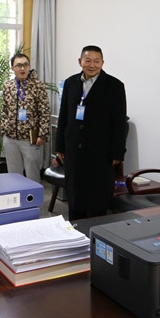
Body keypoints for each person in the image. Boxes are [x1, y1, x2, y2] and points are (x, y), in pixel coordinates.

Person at [55, 45, 127, 220]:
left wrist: (117, 152)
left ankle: (96, 232)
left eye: (96, 61)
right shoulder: (70, 83)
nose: (92, 65)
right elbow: (63, 116)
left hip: (100, 152)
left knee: (98, 198)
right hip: (74, 150)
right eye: (88, 61)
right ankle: (75, 229)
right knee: (75, 195)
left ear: (102, 63)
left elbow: (119, 123)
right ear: (80, 62)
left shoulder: (115, 86)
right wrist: (60, 146)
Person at [0, 53, 50, 183]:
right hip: (10, 138)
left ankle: (32, 197)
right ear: (13, 68)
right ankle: (16, 196)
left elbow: (44, 112)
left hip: (30, 138)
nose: (22, 68)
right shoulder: (8, 86)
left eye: (25, 65)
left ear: (29, 66)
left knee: (32, 176)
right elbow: (4, 110)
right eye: (18, 65)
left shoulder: (38, 86)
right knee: (13, 176)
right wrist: (4, 129)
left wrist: (43, 134)